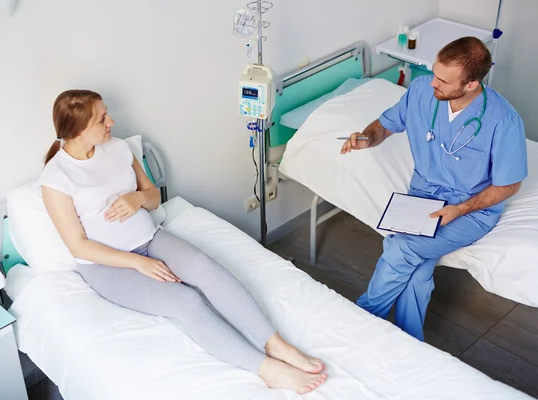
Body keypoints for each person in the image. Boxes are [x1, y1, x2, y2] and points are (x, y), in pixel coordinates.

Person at [40, 89, 328, 394]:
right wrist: (140, 263)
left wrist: (136, 199)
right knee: (186, 301)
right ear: (80, 130)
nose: (111, 120)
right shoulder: (56, 178)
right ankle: (266, 369)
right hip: (106, 266)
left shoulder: (119, 148)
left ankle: (276, 344)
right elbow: (78, 246)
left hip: (150, 238)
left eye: (107, 112)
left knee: (206, 268)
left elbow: (153, 197)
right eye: (102, 118)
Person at [340, 37, 528, 341]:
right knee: (417, 271)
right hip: (422, 196)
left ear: (470, 85)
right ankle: (410, 339)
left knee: (401, 248)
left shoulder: (503, 121)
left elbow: (509, 185)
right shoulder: (421, 90)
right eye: (434, 73)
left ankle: (362, 320)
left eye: (443, 80)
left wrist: (461, 209)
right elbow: (386, 125)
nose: (432, 83)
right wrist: (365, 138)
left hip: (470, 210)